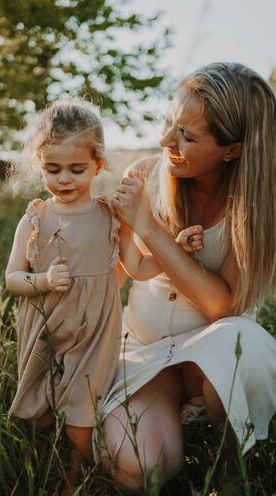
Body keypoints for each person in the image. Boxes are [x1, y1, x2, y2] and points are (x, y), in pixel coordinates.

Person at [99, 62, 276, 491]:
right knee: (144, 469)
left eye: (186, 136)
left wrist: (149, 229)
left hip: (212, 360)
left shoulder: (252, 205)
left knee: (243, 342)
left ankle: (232, 468)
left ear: (231, 150)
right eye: (168, 122)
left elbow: (222, 305)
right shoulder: (143, 176)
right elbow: (115, 278)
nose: (164, 141)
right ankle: (167, 419)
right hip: (142, 353)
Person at [5, 98, 165, 463]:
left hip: (95, 335)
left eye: (77, 169)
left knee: (81, 417)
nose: (63, 179)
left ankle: (86, 474)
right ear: (38, 166)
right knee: (40, 415)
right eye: (52, 169)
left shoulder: (110, 216)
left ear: (99, 165)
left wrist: (176, 255)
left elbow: (137, 268)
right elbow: (13, 278)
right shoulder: (35, 218)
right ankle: (48, 466)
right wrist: (44, 280)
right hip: (45, 329)